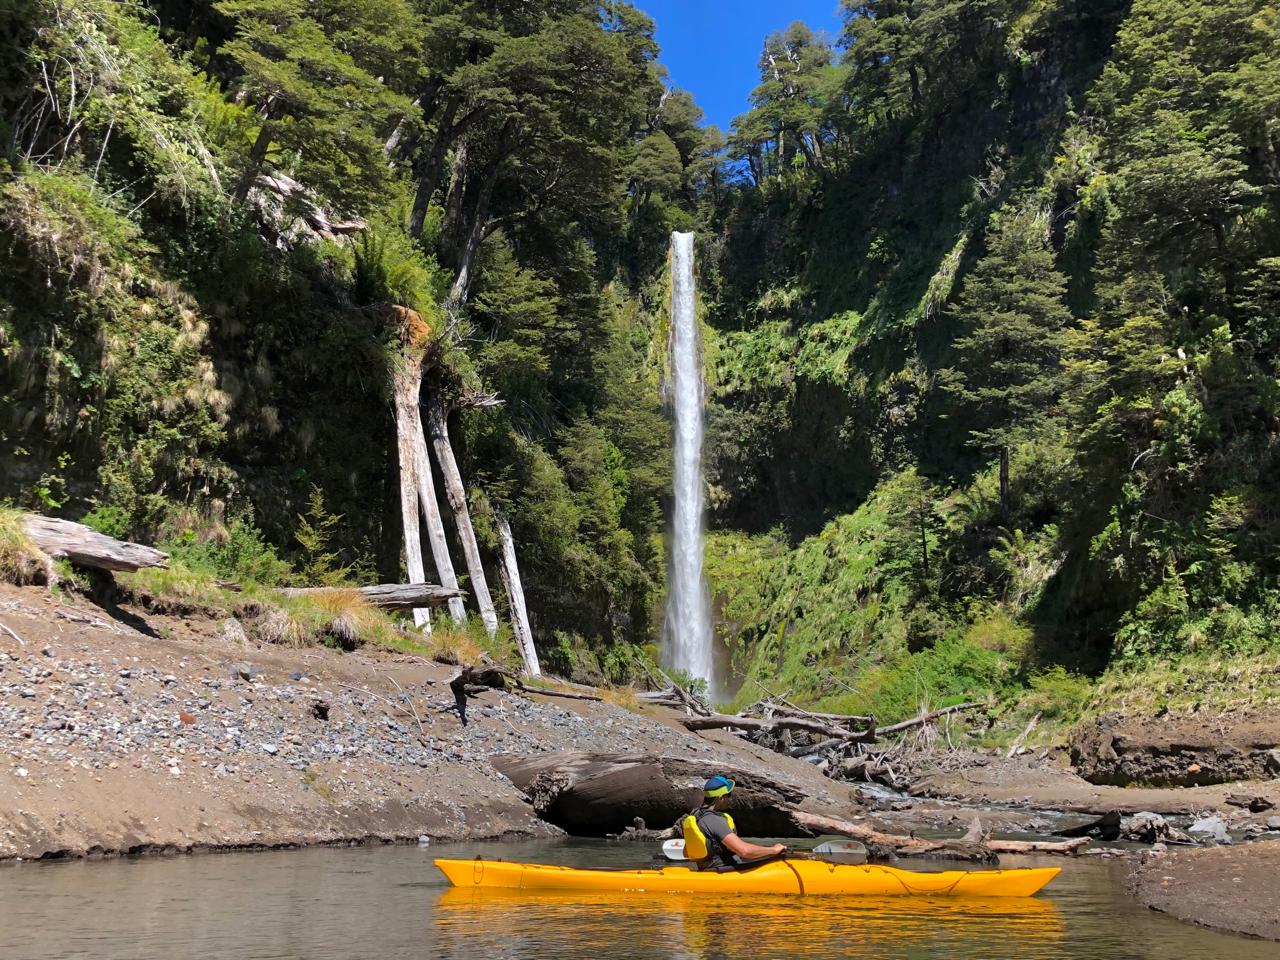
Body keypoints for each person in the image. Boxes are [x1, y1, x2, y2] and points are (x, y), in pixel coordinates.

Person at [682, 775, 786, 870]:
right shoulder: (715, 820)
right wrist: (773, 850)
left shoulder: (696, 817)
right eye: (729, 795)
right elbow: (744, 851)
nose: (730, 799)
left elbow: (686, 853)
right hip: (724, 871)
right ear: (721, 798)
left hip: (707, 869)